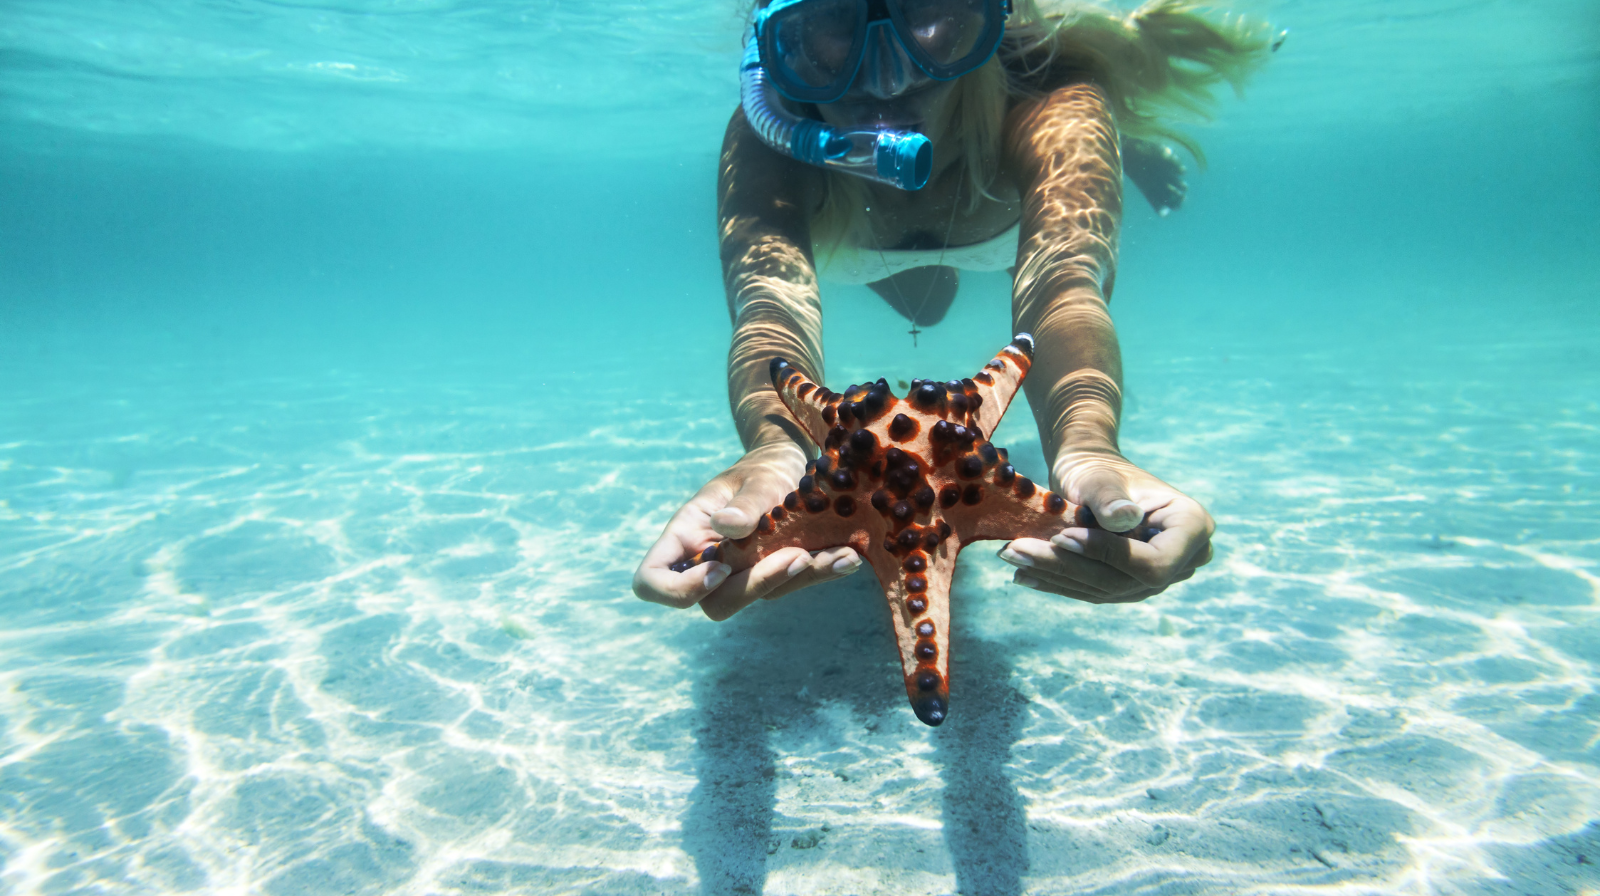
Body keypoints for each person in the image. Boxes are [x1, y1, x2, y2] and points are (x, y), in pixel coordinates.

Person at [635, 0, 1271, 617]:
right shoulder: (764, 136)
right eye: (831, 19)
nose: (889, 75)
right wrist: (775, 447)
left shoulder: (1051, 99)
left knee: (1079, 133)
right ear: (771, 48)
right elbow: (768, 307)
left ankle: (1129, 147)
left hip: (1007, 184)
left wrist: (1085, 445)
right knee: (930, 306)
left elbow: (1064, 280)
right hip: (874, 246)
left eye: (928, 10)